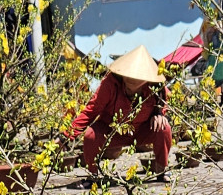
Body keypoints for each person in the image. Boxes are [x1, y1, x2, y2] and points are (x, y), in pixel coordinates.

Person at [73, 46, 171, 175]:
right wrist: (65, 136)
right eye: (129, 74)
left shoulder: (155, 87)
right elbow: (91, 110)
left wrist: (159, 113)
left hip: (141, 130)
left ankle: (162, 171)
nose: (132, 79)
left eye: (138, 76)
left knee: (164, 128)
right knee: (90, 135)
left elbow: (164, 100)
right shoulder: (109, 83)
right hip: (112, 131)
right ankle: (93, 176)